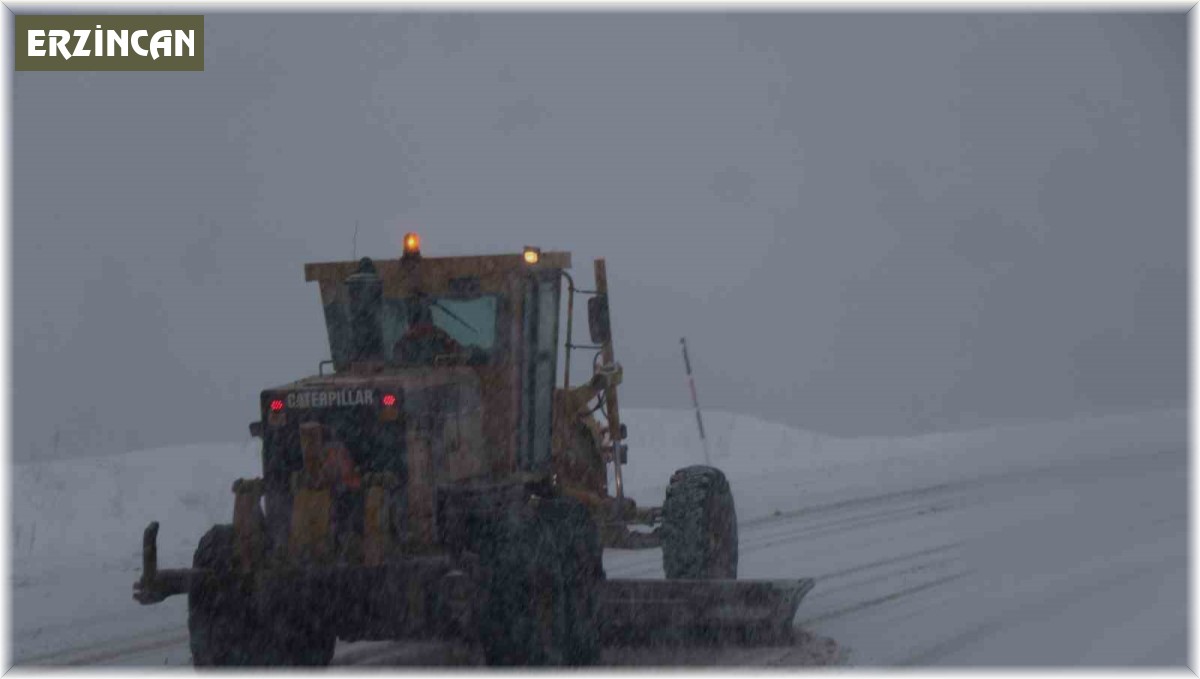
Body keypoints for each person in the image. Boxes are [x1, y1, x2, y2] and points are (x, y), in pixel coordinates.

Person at [394, 301, 462, 364]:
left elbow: (458, 354)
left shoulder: (441, 337)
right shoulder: (403, 344)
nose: (424, 327)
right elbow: (399, 367)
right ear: (412, 325)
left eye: (427, 320)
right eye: (419, 324)